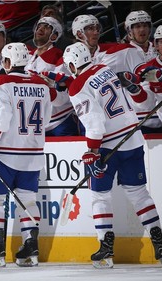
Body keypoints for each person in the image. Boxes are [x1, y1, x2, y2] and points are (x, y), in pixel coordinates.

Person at [63, 42, 162, 268]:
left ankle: (106, 247)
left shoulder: (77, 85)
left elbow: (95, 122)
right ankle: (159, 239)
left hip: (107, 145)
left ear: (72, 64)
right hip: (133, 139)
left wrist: (92, 151)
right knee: (138, 193)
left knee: (100, 195)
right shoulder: (105, 69)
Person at [0, 42, 57, 267]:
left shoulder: (1, 82)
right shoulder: (41, 84)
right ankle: (31, 247)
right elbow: (47, 120)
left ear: (8, 62)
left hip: (5, 154)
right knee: (28, 200)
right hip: (33, 152)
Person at [101, 10, 160, 134]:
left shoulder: (157, 48)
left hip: (159, 116)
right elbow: (98, 69)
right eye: (137, 26)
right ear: (129, 30)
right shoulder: (120, 52)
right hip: (139, 119)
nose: (142, 30)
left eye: (145, 25)